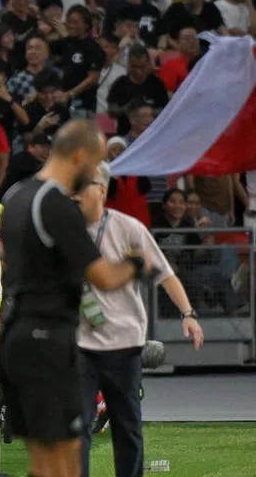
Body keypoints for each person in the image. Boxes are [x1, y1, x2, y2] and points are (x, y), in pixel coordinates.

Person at [0, 120, 160, 477]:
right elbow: (104, 277)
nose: (95, 173)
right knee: (61, 460)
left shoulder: (16, 195)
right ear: (80, 156)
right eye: (95, 163)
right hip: (46, 340)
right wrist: (138, 263)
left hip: (14, 335)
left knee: (46, 457)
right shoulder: (55, 204)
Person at [75, 162, 204, 477]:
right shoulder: (65, 230)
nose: (75, 195)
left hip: (124, 343)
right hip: (80, 342)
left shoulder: (129, 228)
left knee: (127, 426)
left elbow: (165, 275)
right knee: (76, 428)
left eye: (82, 187)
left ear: (102, 190)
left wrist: (188, 314)